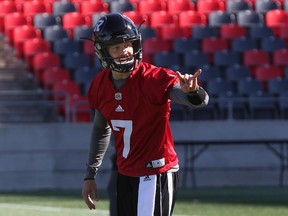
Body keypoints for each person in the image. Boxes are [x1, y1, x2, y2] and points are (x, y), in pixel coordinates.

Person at [82, 13, 209, 216]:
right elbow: (100, 129)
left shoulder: (153, 78)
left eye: (128, 44)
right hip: (125, 173)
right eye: (116, 47)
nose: (124, 51)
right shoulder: (99, 85)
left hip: (155, 172)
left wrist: (192, 91)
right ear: (102, 51)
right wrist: (90, 174)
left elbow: (198, 101)